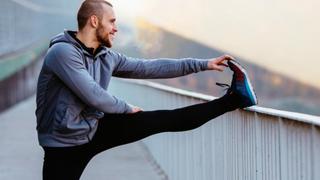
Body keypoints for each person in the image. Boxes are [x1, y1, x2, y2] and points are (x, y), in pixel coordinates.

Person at [35, 0, 258, 179]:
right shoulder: (62, 53)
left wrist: (202, 64)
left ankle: (234, 98)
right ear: (94, 21)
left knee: (162, 120)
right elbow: (93, 94)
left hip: (94, 129)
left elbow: (149, 68)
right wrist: (126, 108)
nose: (116, 28)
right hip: (62, 144)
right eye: (111, 21)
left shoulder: (106, 56)